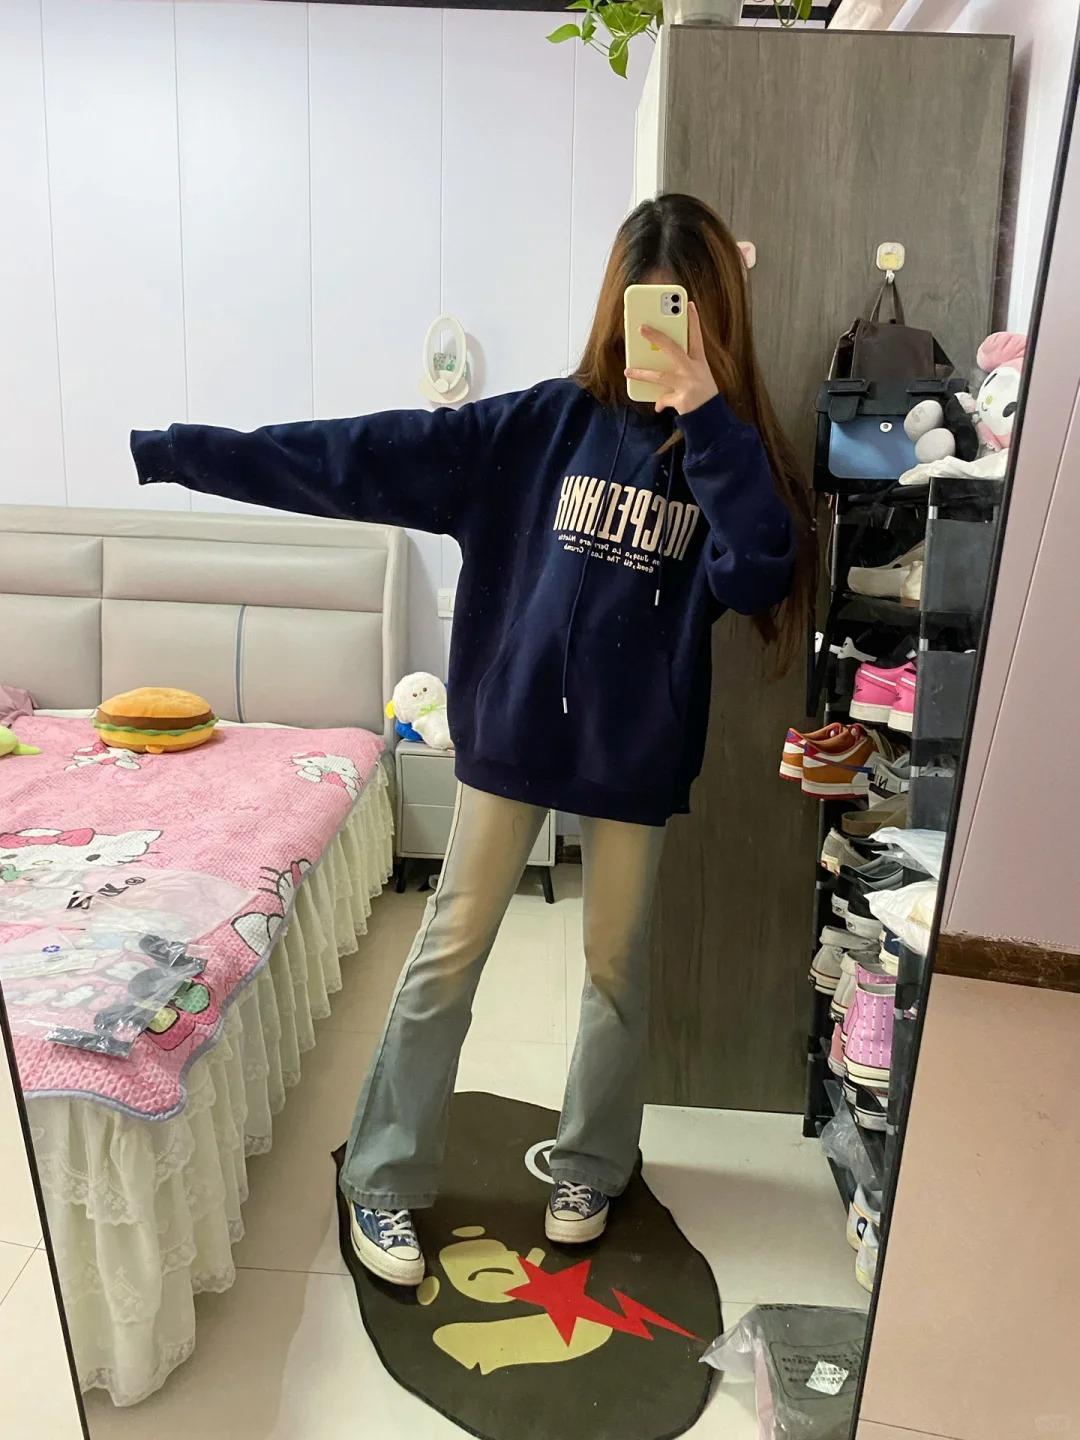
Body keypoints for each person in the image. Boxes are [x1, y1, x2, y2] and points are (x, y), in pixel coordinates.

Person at [131, 193, 814, 1288]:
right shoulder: (536, 428)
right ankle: (382, 1177)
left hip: (634, 754)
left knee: (617, 969)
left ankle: (594, 1165)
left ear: (716, 318)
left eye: (686, 313)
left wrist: (708, 417)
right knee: (449, 953)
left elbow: (757, 574)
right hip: (513, 734)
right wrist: (181, 451)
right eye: (648, 308)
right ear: (618, 305)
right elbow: (355, 456)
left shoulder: (725, 449)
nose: (662, 336)